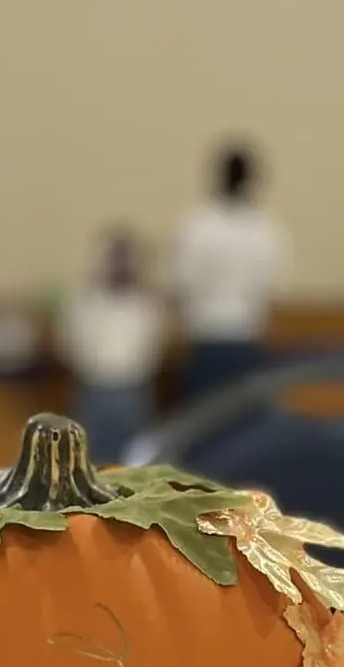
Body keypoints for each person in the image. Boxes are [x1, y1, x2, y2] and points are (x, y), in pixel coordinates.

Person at [173, 143, 288, 402]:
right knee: (244, 418)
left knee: (203, 417)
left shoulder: (197, 225)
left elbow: (181, 281)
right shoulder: (265, 228)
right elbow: (273, 286)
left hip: (207, 335)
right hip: (246, 335)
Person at [56, 229, 166, 463]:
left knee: (135, 464)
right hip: (94, 390)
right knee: (89, 462)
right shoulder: (84, 301)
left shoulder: (146, 303)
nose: (120, 266)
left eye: (126, 259)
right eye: (115, 259)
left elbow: (153, 349)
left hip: (133, 391)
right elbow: (70, 346)